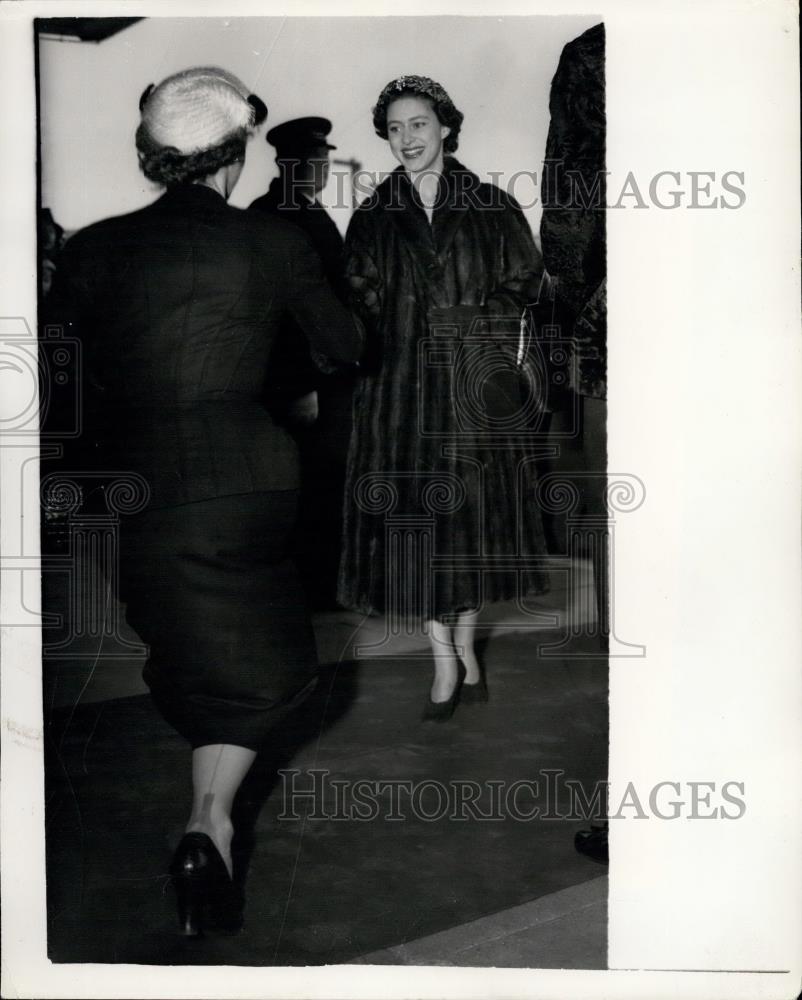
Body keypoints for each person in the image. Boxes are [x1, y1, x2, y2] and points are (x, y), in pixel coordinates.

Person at [49, 66, 363, 935]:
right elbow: (342, 346)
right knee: (260, 664)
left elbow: (61, 382)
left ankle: (210, 821)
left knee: (194, 654)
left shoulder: (90, 250)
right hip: (245, 482)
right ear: (234, 156)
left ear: (151, 156)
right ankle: (207, 821)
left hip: (134, 488)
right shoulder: (271, 245)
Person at [338, 75, 549, 721]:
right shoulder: (373, 215)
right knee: (419, 527)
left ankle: (463, 640)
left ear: (446, 127)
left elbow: (525, 283)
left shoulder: (490, 204)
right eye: (396, 127)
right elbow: (357, 297)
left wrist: (477, 321)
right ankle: (442, 659)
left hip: (471, 387)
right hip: (399, 394)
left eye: (419, 124)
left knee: (473, 524)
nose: (407, 138)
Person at [250, 117, 356, 608]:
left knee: (323, 481)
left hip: (325, 378)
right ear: (286, 164)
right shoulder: (275, 216)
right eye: (313, 162)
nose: (320, 170)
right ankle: (310, 589)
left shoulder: (304, 211)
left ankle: (320, 584)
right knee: (304, 485)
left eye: (323, 161)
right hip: (298, 383)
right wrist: (300, 386)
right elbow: (275, 317)